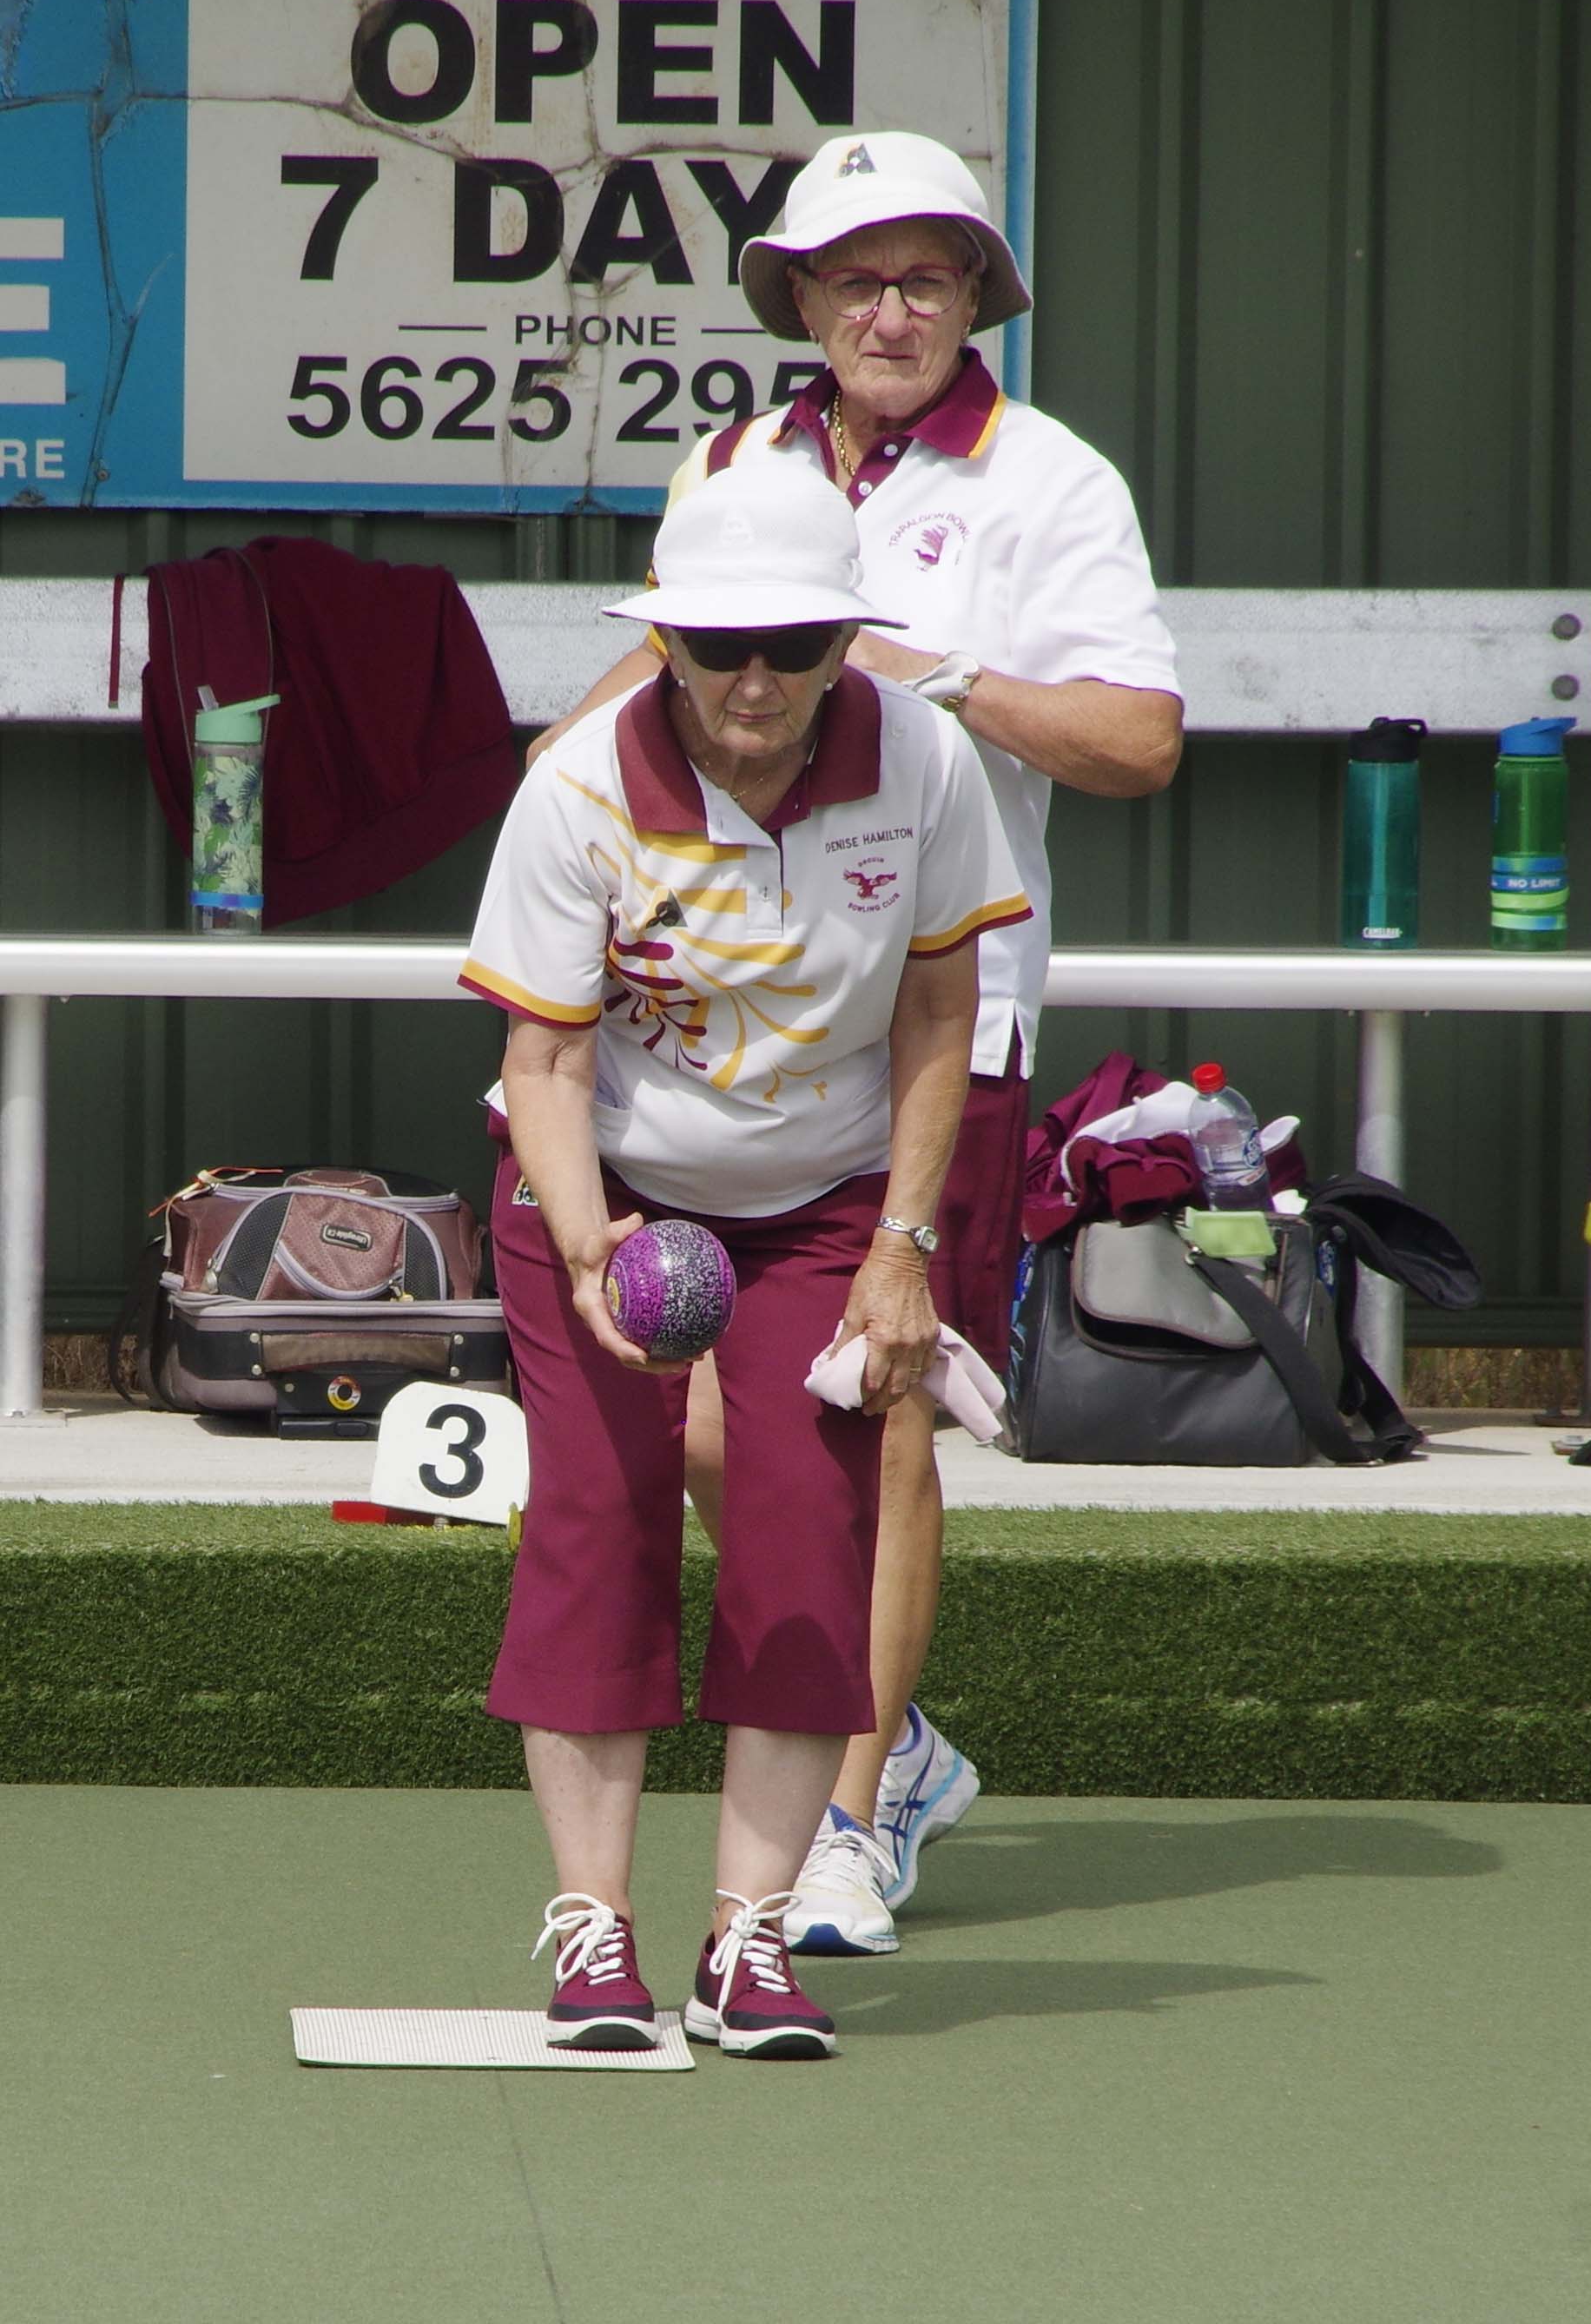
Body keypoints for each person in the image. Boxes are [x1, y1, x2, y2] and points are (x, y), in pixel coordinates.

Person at [528, 130, 1182, 1957]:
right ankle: (870, 1725)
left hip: (925, 1032)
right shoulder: (732, 461)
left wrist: (933, 672)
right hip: (699, 1044)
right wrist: (551, 792)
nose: (891, 309)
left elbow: (1135, 745)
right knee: (727, 1419)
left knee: (867, 1409)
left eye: (929, 276)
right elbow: (650, 678)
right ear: (796, 300)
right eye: (854, 277)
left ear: (976, 295)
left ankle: (852, 1798)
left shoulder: (1046, 478)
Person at [459, 454, 1028, 2060]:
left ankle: (747, 1941)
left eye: (795, 642)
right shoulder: (576, 787)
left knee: (803, 1532)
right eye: (718, 647)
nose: (756, 678)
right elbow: (545, 1064)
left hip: (832, 1195)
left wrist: (905, 1246)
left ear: (851, 642)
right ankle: (590, 1926)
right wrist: (589, 1253)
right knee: (596, 1518)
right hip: (606, 1186)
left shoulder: (925, 763)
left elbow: (937, 1012)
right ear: (663, 647)